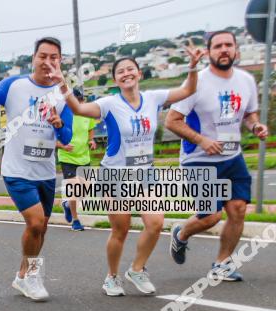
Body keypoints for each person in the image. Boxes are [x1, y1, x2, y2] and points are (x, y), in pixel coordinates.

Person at [56, 45, 202, 296]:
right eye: (120, 71)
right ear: (115, 79)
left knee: (156, 222)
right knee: (120, 230)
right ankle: (111, 277)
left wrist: (192, 68)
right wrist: (63, 85)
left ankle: (137, 269)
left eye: (130, 69)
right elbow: (79, 109)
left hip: (144, 174)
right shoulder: (109, 103)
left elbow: (188, 89)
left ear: (139, 74)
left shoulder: (153, 98)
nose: (126, 74)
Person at [0, 37, 74, 301]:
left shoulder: (63, 93)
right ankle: (33, 276)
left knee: (42, 227)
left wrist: (58, 124)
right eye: (42, 56)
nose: (47, 62)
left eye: (53, 57)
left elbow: (67, 138)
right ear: (33, 58)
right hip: (16, 169)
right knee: (35, 222)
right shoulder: (14, 85)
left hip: (45, 171)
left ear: (60, 61)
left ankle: (22, 275)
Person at [166, 30, 268, 281]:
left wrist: (255, 126)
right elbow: (172, 120)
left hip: (233, 158)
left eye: (228, 45)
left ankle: (221, 264)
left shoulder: (245, 80)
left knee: (238, 210)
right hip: (199, 159)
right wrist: (202, 140)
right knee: (211, 216)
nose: (224, 49)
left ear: (236, 50)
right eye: (218, 46)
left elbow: (248, 114)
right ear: (209, 52)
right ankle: (181, 233)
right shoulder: (196, 83)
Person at [56, 87, 98, 231]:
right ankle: (75, 220)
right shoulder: (62, 114)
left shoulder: (87, 113)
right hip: (67, 157)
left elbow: (90, 129)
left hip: (84, 157)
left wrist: (92, 140)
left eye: (81, 99)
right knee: (74, 188)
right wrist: (62, 146)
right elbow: (51, 136)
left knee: (86, 188)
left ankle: (67, 205)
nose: (80, 102)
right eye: (77, 100)